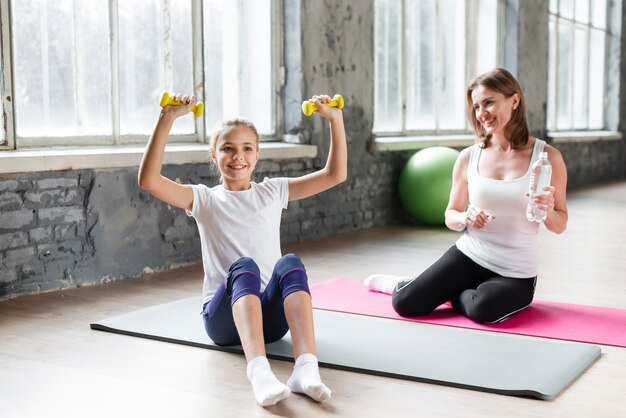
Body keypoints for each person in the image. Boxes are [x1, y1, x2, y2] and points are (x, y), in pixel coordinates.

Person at [138, 93, 346, 406]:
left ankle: (305, 368)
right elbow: (149, 180)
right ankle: (259, 372)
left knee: (290, 262)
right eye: (228, 149)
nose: (239, 156)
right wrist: (167, 118)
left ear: (257, 155)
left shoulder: (273, 191)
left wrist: (335, 120)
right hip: (223, 322)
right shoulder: (204, 199)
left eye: (247, 148)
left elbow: (335, 175)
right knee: (244, 266)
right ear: (214, 154)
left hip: (270, 324)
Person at [365, 67, 568, 324]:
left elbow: (560, 224)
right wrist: (465, 217)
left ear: (514, 100)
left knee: (484, 309)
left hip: (514, 272)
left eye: (489, 103)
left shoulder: (549, 158)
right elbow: (450, 215)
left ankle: (451, 293)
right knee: (405, 302)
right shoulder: (468, 157)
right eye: (476, 106)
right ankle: (407, 284)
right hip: (469, 255)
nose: (481, 113)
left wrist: (548, 210)